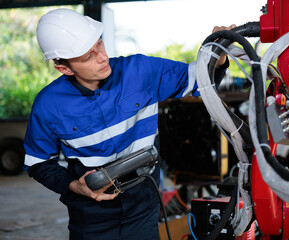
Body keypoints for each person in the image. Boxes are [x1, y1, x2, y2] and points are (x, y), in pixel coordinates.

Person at [24, 8, 232, 240]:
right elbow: (38, 163)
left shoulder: (141, 71)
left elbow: (200, 80)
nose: (102, 57)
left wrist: (218, 55)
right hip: (90, 213)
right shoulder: (49, 104)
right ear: (64, 68)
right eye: (88, 56)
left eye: (99, 45)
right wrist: (74, 186)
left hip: (143, 201)